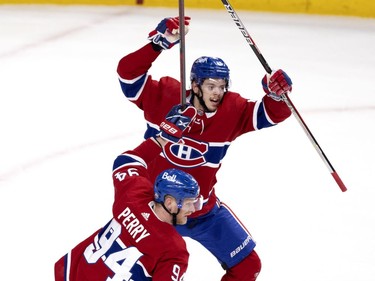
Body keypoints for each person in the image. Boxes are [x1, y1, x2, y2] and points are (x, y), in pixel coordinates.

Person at [117, 16, 293, 280]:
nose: (217, 93)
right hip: (155, 211)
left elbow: (270, 114)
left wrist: (277, 95)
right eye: (211, 86)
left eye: (222, 87)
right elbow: (127, 75)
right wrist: (158, 44)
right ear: (195, 85)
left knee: (247, 266)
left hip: (200, 211)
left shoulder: (231, 110)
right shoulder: (166, 96)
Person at [54, 133, 203, 281]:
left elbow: (125, 161)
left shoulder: (134, 193)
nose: (193, 209)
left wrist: (162, 138)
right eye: (189, 203)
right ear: (169, 203)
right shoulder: (174, 250)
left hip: (73, 273)